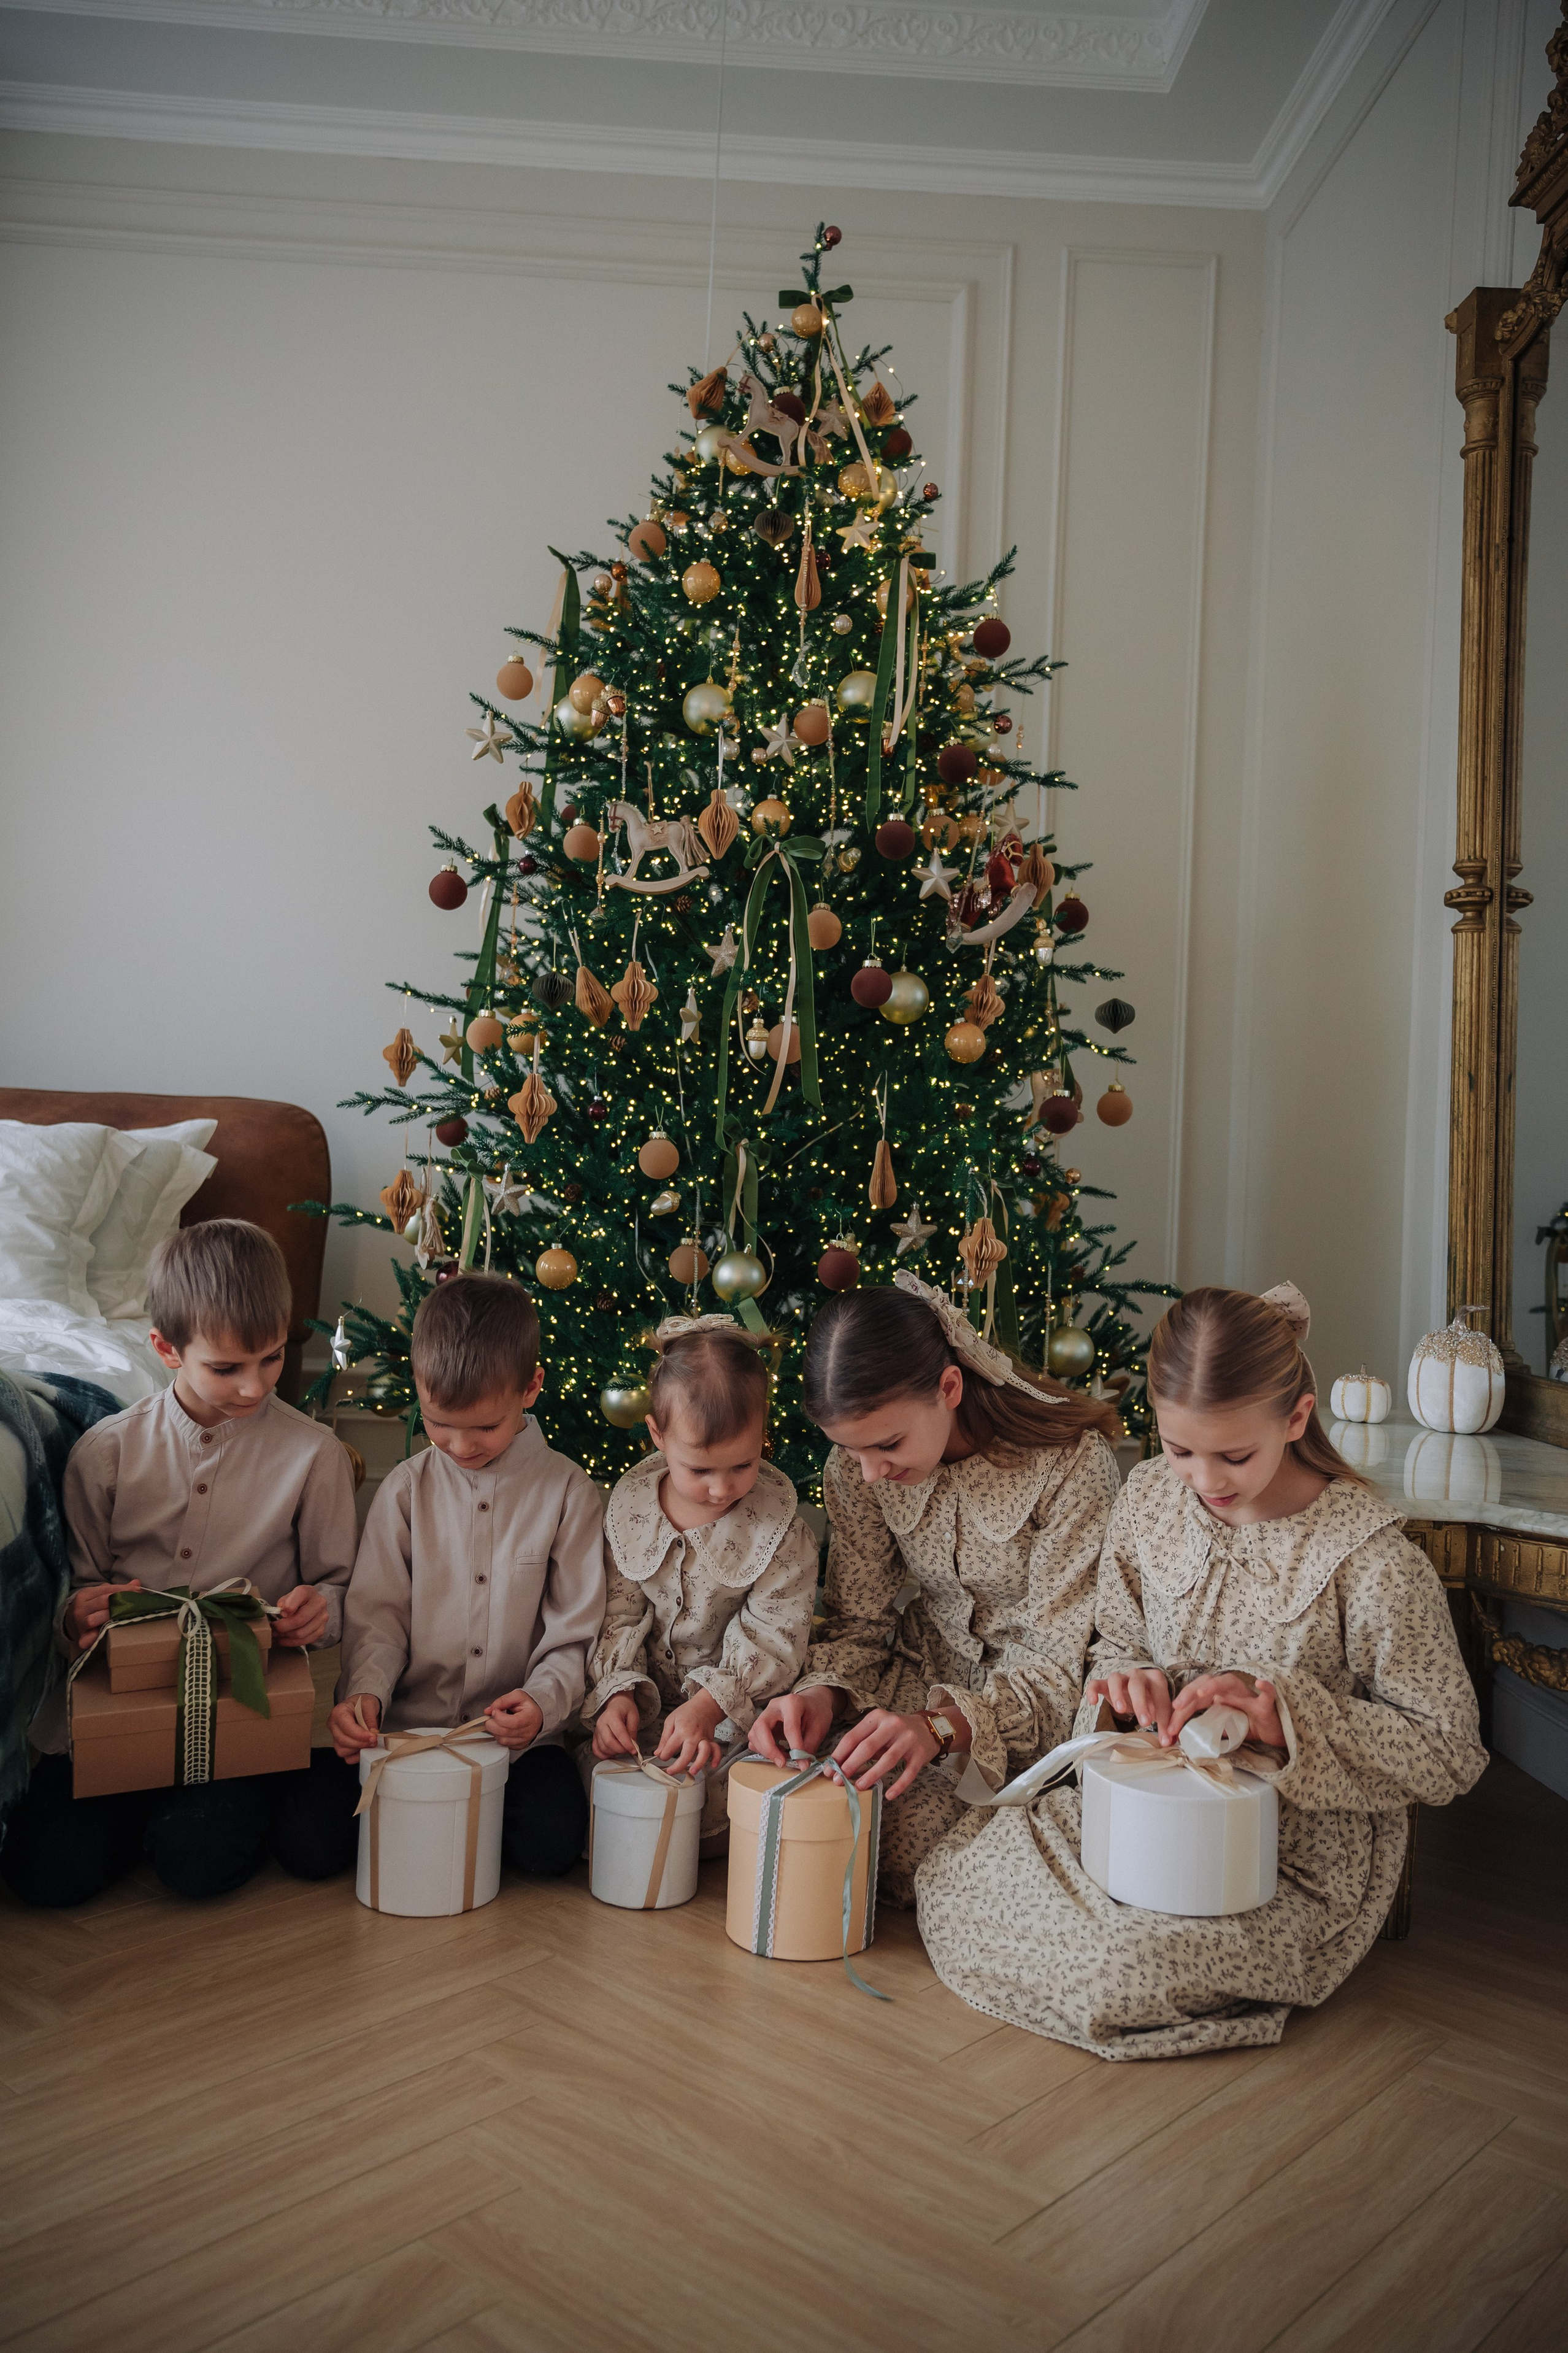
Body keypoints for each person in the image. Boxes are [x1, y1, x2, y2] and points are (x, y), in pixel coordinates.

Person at [915, 1283, 1489, 2058]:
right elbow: (1114, 1641)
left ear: (1295, 1418)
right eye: (1180, 1449)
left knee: (1120, 1967)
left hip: (1283, 1855)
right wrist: (1126, 1687)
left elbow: (1450, 1748)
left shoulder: (1372, 1560)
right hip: (1144, 1799)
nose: (1205, 1479)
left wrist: (1282, 1720)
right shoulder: (1149, 1497)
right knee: (955, 1873)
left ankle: (1121, 1964)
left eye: (1235, 1455)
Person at [2, 1220, 358, 1907]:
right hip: (121, 1702)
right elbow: (75, 1595)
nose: (255, 1387)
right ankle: (141, 1803)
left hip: (237, 1705)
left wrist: (322, 1609)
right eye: (226, 1367)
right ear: (166, 1348)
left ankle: (209, 1804)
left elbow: (340, 1587)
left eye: (273, 1357)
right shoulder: (105, 1454)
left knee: (198, 1865)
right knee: (44, 1876)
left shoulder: (313, 1456)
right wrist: (79, 1614)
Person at [750, 1273, 1121, 1904]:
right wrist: (820, 1692)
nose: (871, 1472)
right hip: (921, 1680)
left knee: (967, 1852)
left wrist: (944, 1728)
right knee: (816, 1799)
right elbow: (858, 1621)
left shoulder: (1071, 1463)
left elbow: (1058, 1665)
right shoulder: (855, 1468)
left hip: (1040, 1707)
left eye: (889, 1444)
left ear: (950, 1387)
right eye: (851, 1450)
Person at [330, 1271, 605, 1876]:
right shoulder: (404, 1490)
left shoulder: (568, 1493)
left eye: (483, 1426)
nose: (459, 1446)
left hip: (519, 1743)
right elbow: (377, 1616)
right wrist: (365, 1693)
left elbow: (574, 1632)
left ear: (531, 1387)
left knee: (550, 1845)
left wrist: (541, 1701)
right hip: (408, 1734)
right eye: (438, 1423)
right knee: (312, 1840)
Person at [580, 1316, 818, 1854]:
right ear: (657, 1435)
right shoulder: (631, 1515)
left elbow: (774, 1635)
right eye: (700, 1469)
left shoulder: (779, 1533)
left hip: (735, 1712)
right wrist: (618, 1692)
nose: (720, 1488)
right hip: (646, 1704)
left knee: (756, 1782)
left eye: (743, 1464)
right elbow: (618, 1614)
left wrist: (710, 1707)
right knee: (602, 1775)